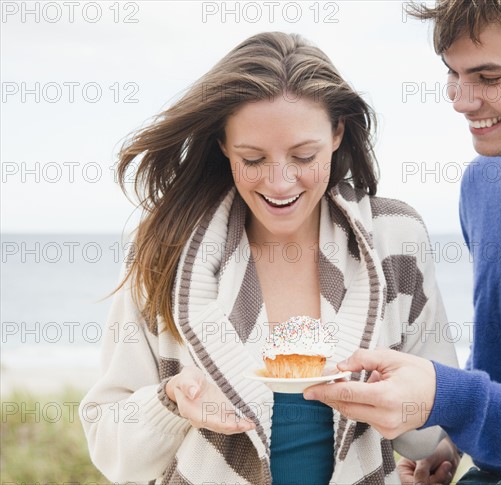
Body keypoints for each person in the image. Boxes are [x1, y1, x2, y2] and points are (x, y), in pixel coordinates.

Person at [78, 31, 458, 484]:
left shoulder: (395, 241)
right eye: (253, 158)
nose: (280, 183)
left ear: (337, 133)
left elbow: (436, 430)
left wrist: (429, 444)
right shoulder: (166, 248)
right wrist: (171, 402)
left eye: (303, 155)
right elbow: (109, 444)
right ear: (222, 144)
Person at [305, 1, 501, 484]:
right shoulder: (480, 184)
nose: (462, 100)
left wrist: (452, 398)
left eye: (489, 78)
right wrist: (453, 441)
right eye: (454, 75)